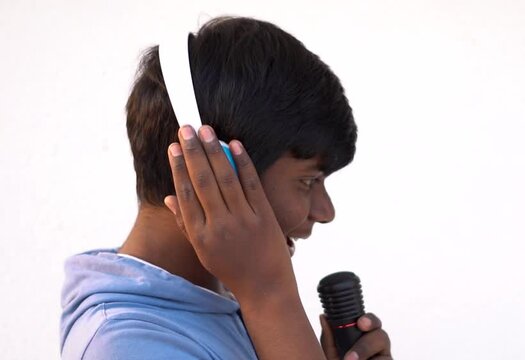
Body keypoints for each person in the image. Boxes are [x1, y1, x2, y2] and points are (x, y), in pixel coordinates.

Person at [60, 16, 392, 359]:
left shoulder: (221, 307)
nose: (326, 212)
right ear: (213, 167)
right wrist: (269, 295)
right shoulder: (129, 347)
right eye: (308, 180)